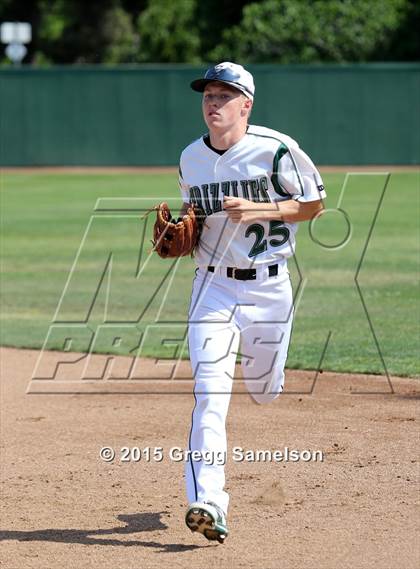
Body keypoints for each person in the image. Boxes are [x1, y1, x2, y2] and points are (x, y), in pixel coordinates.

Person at [179, 62, 326, 543]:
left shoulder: (275, 149)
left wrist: (259, 208)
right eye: (208, 95)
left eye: (225, 95)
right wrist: (182, 229)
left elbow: (313, 205)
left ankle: (269, 376)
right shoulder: (190, 158)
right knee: (210, 398)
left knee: (263, 391)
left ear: (247, 104)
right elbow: (191, 213)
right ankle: (209, 501)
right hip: (212, 287)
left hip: (268, 286)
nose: (213, 103)